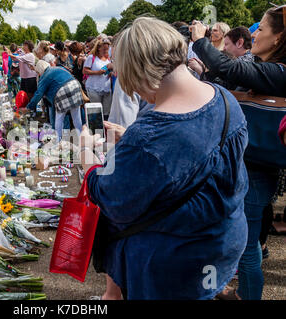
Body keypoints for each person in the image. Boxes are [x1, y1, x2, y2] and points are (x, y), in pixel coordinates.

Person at [79, 17, 248, 300]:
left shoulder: (150, 136)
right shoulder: (224, 97)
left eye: (131, 82)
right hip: (223, 244)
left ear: (139, 71)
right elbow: (195, 158)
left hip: (173, 264)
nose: (135, 92)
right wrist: (132, 141)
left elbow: (114, 201)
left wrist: (86, 155)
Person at [190, 4, 286, 300]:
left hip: (257, 171)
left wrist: (200, 41)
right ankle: (226, 289)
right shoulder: (260, 68)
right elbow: (219, 83)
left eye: (262, 30)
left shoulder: (280, 72)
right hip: (240, 165)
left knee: (246, 247)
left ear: (279, 39)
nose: (254, 34)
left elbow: (229, 68)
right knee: (234, 240)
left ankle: (248, 296)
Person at [26, 61, 83, 140]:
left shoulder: (45, 76)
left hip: (63, 91)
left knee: (59, 117)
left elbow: (39, 94)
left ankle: (58, 140)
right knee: (76, 117)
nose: (38, 74)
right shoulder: (57, 68)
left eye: (38, 72)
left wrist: (29, 107)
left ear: (40, 70)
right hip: (75, 86)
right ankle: (81, 138)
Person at [82, 38, 112, 118]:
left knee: (106, 112)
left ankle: (105, 129)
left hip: (106, 88)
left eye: (107, 48)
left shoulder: (108, 58)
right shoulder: (91, 57)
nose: (106, 50)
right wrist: (98, 72)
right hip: (94, 88)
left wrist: (110, 73)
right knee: (97, 111)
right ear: (98, 48)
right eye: (104, 48)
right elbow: (84, 71)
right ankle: (96, 129)